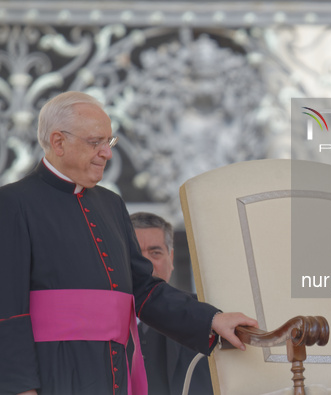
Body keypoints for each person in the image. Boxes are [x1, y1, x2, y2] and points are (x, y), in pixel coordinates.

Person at [0, 91, 258, 395]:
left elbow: (144, 290)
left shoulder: (111, 204)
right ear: (58, 142)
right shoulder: (13, 203)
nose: (106, 153)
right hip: (55, 374)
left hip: (113, 374)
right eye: (95, 142)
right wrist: (20, 389)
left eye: (108, 142)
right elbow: (7, 311)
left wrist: (211, 319)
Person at [130, 211, 213, 395]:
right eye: (136, 254)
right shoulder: (94, 322)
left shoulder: (208, 315)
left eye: (155, 252)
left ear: (171, 258)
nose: (146, 264)